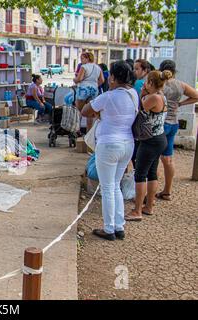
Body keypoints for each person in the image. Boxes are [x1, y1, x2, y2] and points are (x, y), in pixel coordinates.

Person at [81, 61, 138, 241]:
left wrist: (98, 111)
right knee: (115, 186)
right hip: (127, 144)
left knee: (107, 188)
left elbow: (85, 111)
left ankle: (109, 228)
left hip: (108, 145)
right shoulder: (133, 94)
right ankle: (119, 226)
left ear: (112, 77)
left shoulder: (108, 96)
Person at [125, 70, 171, 221]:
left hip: (150, 140)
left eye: (146, 82)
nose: (144, 84)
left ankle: (137, 210)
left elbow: (137, 110)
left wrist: (142, 93)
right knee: (151, 173)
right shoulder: (162, 96)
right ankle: (149, 206)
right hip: (159, 138)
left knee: (140, 174)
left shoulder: (153, 97)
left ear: (151, 83)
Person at [156, 60, 198, 201]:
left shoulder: (159, 84)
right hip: (173, 123)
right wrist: (181, 103)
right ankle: (167, 191)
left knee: (153, 159)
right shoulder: (180, 85)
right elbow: (196, 95)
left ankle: (149, 194)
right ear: (174, 71)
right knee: (168, 159)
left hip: (160, 124)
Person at [74, 52, 104, 130]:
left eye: (82, 58)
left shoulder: (83, 67)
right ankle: (89, 131)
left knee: (79, 110)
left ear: (88, 58)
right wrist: (95, 84)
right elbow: (102, 80)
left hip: (83, 89)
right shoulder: (98, 67)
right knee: (89, 113)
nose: (81, 60)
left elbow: (79, 79)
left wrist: (75, 80)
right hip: (94, 90)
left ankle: (77, 129)